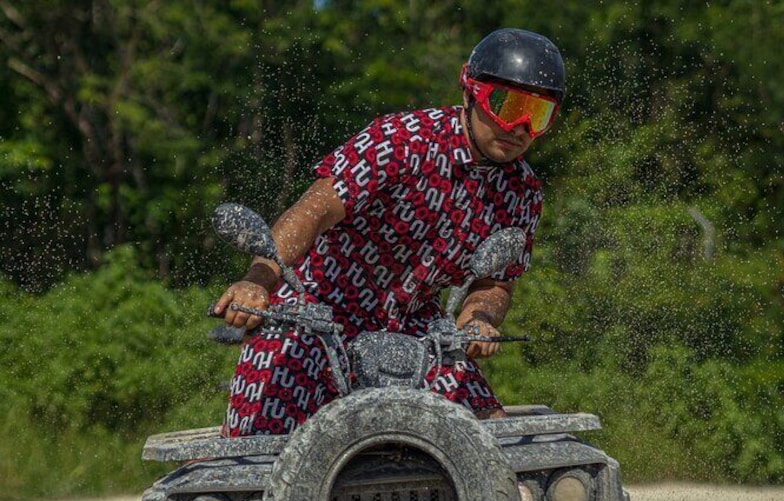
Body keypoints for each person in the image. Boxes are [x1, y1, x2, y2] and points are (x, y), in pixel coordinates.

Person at [214, 27, 566, 437]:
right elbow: (314, 211)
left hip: (415, 327)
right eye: (506, 105)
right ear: (469, 89)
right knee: (256, 450)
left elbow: (495, 282)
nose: (519, 126)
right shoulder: (402, 140)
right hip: (315, 308)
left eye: (537, 115)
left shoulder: (523, 194)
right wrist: (258, 280)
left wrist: (478, 321)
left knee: (495, 443)